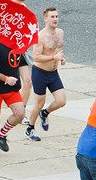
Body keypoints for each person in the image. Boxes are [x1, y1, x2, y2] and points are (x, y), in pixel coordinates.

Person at [25, 7, 66, 142]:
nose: (55, 19)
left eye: (56, 16)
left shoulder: (60, 33)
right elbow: (36, 57)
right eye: (52, 17)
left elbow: (59, 48)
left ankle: (45, 113)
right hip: (40, 73)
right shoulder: (40, 36)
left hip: (53, 73)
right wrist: (54, 57)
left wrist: (62, 57)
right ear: (45, 19)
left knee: (61, 101)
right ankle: (30, 128)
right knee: (39, 103)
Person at [9, 0, 34, 126]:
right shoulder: (7, 7)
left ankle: (21, 113)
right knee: (3, 80)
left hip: (21, 51)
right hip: (8, 51)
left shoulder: (23, 7)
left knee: (28, 82)